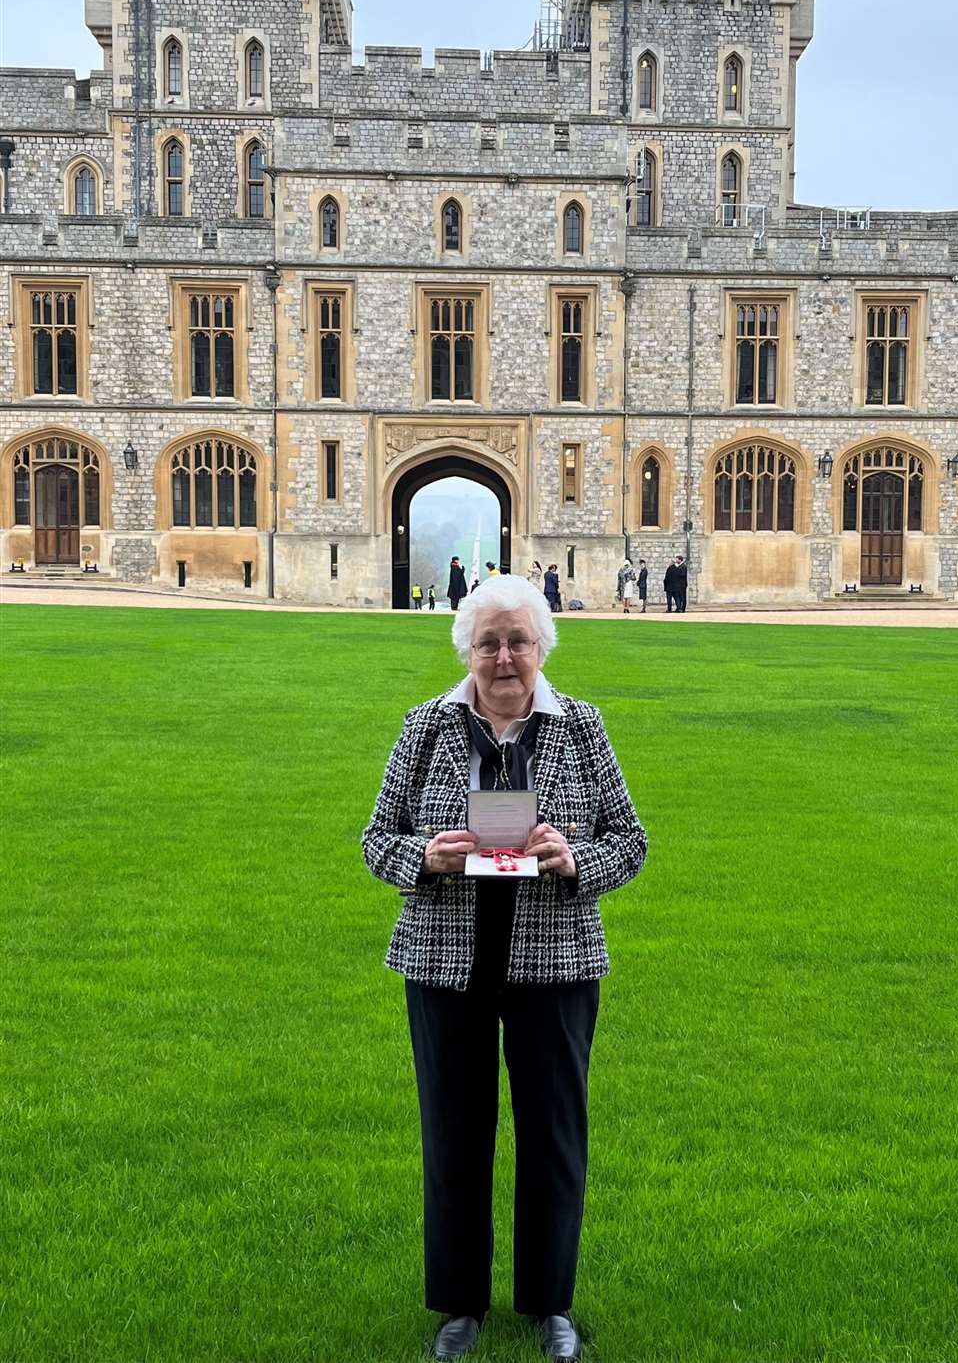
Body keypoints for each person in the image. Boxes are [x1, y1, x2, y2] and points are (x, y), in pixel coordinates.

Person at [362, 576, 647, 1363]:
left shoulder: (582, 728)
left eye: (518, 640)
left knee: (553, 1136)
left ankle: (550, 1303)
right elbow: (375, 837)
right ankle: (459, 1305)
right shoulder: (425, 727)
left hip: (554, 963)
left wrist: (572, 857)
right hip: (444, 962)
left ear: (542, 647)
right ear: (468, 651)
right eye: (488, 642)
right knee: (453, 1135)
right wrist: (423, 854)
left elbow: (630, 841)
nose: (504, 657)